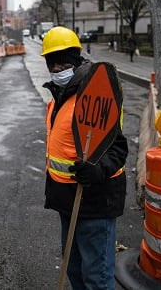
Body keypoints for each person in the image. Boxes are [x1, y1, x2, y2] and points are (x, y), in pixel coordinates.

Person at [40, 26, 129, 289]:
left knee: (96, 275)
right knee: (75, 268)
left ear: (77, 59)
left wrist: (98, 169)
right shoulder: (61, 95)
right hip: (67, 199)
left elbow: (118, 148)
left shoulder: (97, 94)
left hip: (94, 199)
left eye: (64, 61)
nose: (57, 69)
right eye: (52, 63)